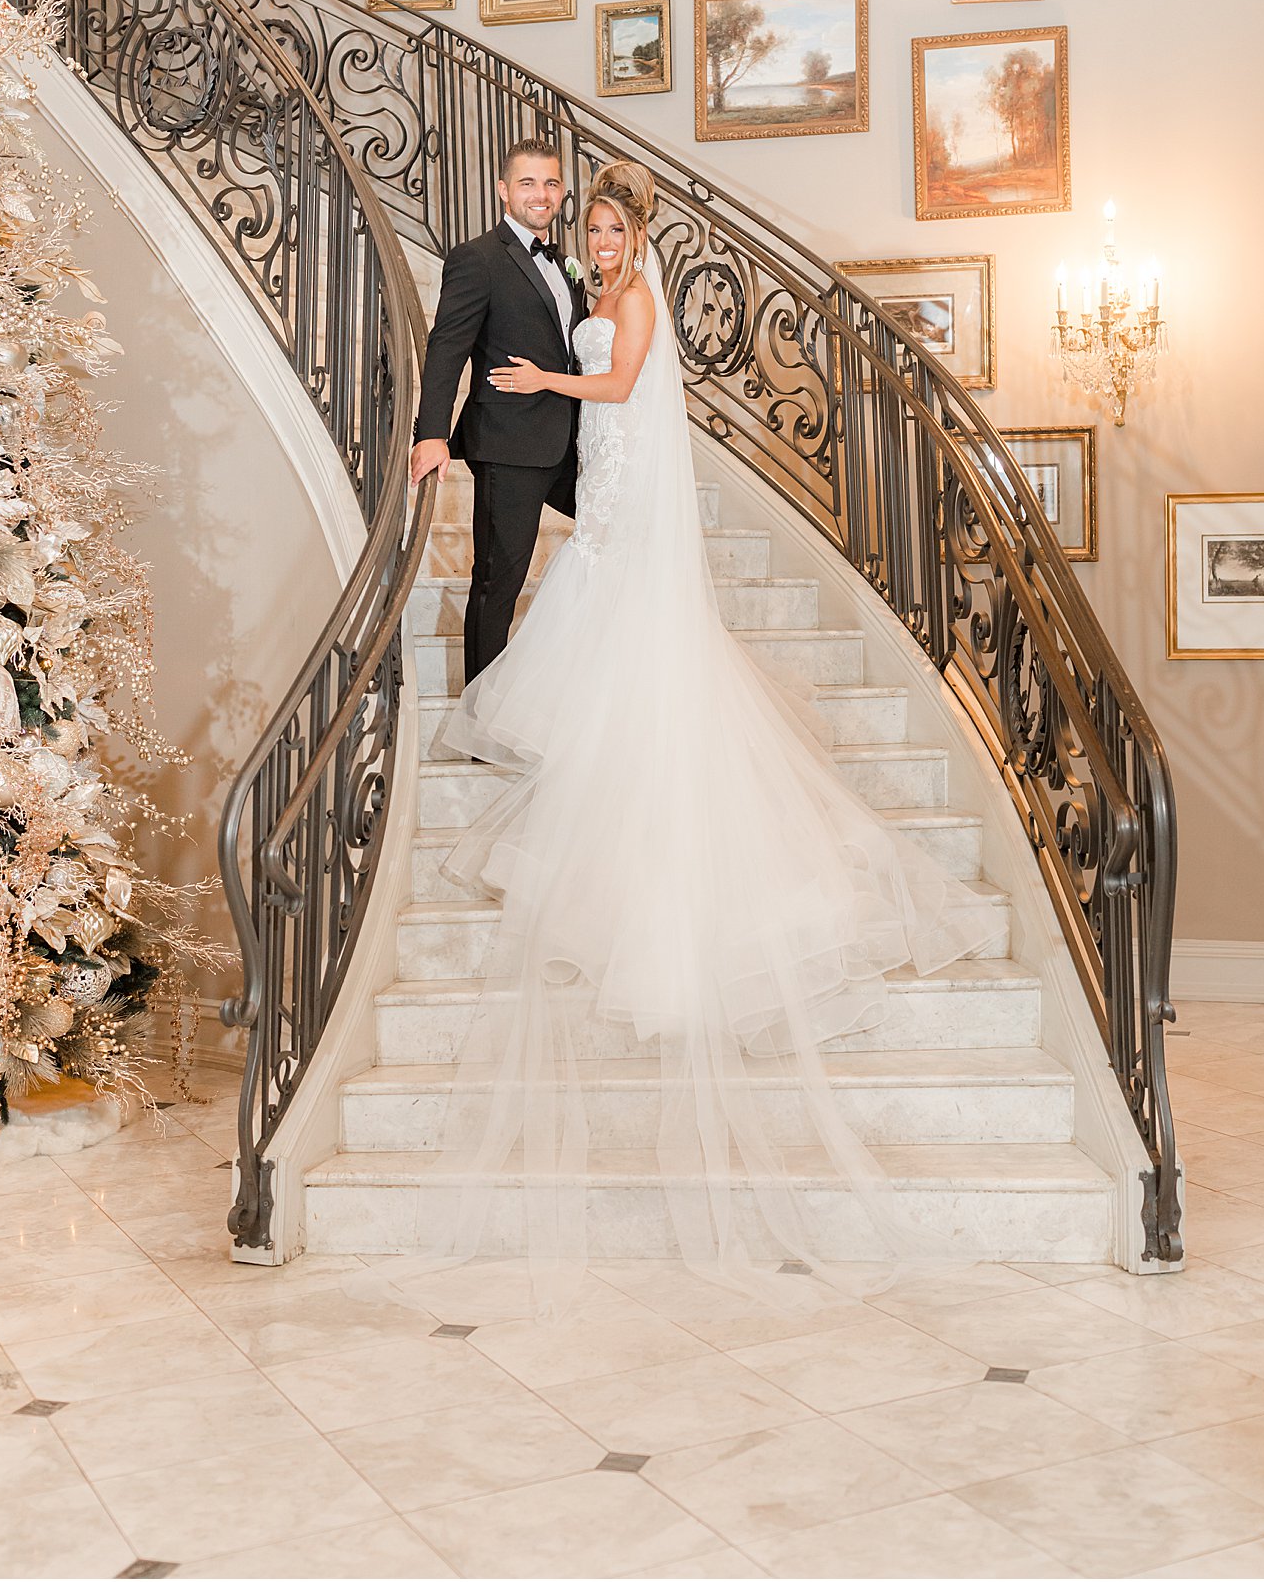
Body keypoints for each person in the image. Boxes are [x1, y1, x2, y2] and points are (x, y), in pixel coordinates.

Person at [384, 159, 1002, 1305]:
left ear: (617, 227)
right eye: (587, 219)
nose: (595, 234)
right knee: (543, 590)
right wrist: (463, 418)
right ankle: (515, 712)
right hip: (592, 472)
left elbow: (617, 387)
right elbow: (471, 356)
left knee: (584, 596)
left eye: (604, 220)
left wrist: (542, 381)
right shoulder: (531, 270)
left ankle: (548, 719)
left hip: (596, 459)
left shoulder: (623, 294)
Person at [410, 138, 589, 683]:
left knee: (628, 532)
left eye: (552, 183)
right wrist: (432, 433)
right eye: (529, 183)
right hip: (508, 445)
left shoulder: (566, 263)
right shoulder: (477, 258)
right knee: (499, 579)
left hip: (571, 441)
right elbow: (447, 347)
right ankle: (480, 713)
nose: (542, 194)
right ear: (503, 191)